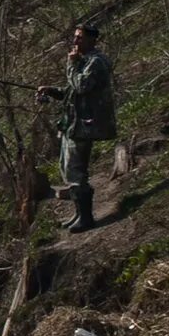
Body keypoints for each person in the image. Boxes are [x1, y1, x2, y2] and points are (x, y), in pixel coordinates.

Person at [38, 20, 118, 231]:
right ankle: (79, 214)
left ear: (92, 39)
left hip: (86, 125)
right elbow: (71, 91)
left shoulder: (96, 62)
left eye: (79, 37)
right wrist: (52, 91)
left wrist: (71, 64)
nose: (75, 41)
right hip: (75, 124)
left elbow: (82, 86)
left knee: (75, 171)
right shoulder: (85, 60)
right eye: (75, 37)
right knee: (68, 168)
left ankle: (86, 217)